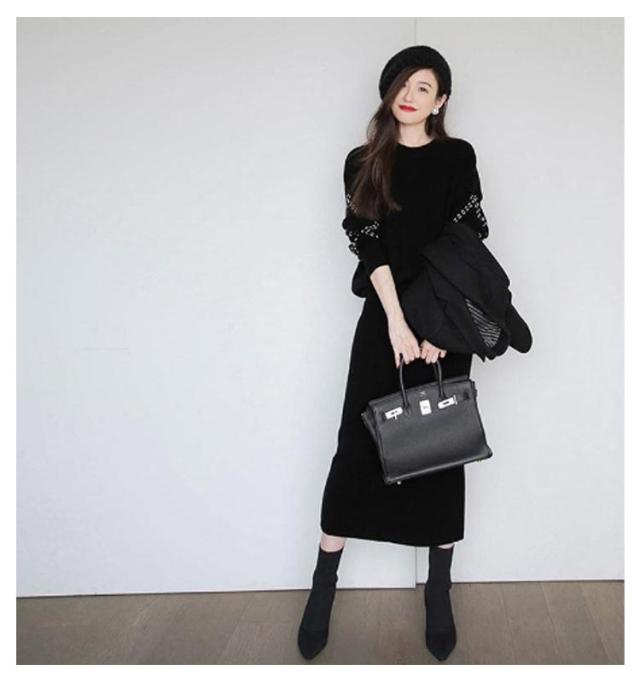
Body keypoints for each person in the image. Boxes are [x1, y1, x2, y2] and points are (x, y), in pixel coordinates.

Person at [297, 45, 490, 662]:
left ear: (441, 101)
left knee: (440, 453)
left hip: (446, 325)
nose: (410, 95)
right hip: (386, 324)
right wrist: (398, 324)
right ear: (389, 92)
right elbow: (369, 245)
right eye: (403, 85)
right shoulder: (364, 161)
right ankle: (323, 586)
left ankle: (438, 590)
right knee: (357, 449)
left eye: (424, 87)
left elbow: (467, 242)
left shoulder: (458, 158)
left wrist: (439, 329)